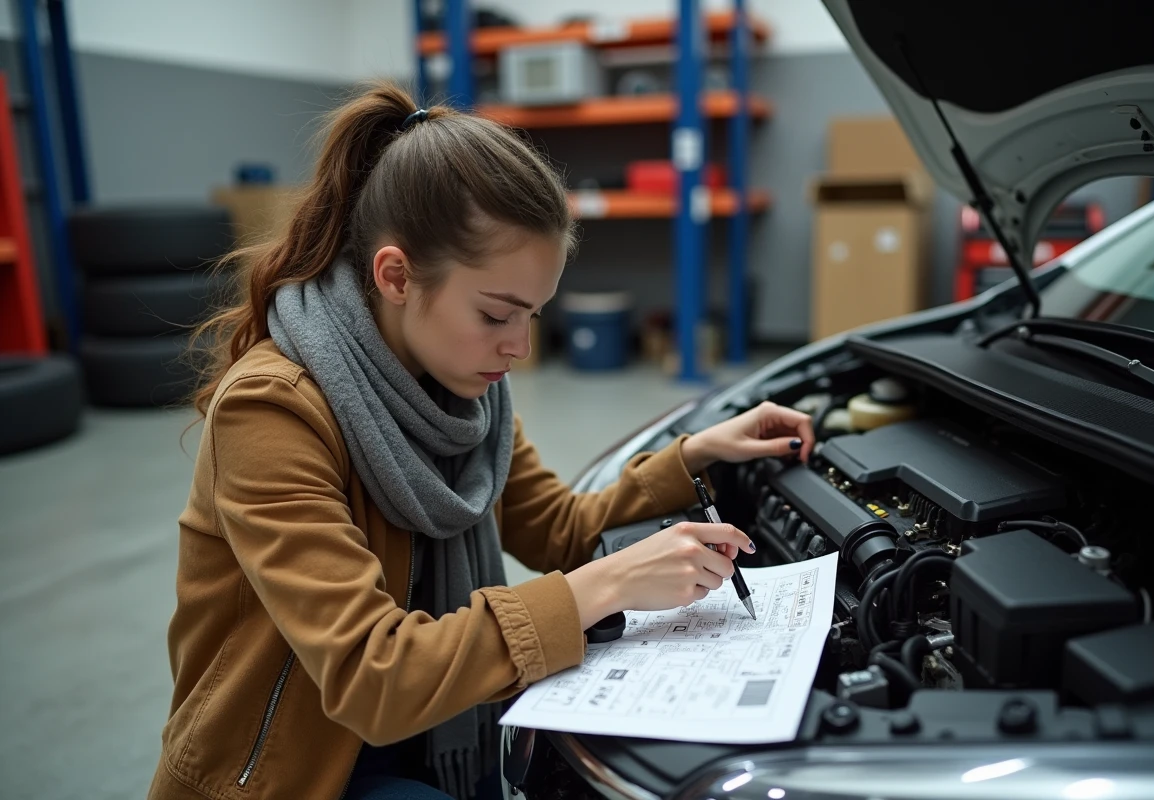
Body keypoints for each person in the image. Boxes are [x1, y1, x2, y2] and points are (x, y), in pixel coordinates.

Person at [147, 81, 814, 800]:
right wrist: (606, 585)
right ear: (395, 276)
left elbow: (557, 528)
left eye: (532, 315)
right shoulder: (273, 410)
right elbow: (373, 674)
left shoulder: (465, 391)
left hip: (424, 742)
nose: (519, 348)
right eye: (497, 315)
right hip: (293, 777)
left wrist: (698, 452)